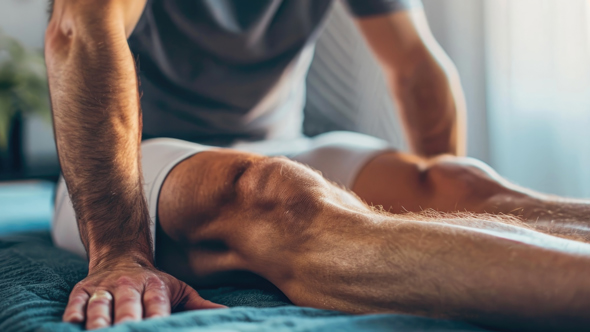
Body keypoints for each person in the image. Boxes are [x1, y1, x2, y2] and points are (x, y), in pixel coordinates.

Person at [46, 0, 590, 331]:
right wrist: (120, 252)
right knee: (278, 196)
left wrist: (438, 200)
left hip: (283, 141)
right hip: (133, 166)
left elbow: (416, 66)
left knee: (458, 181)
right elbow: (78, 32)